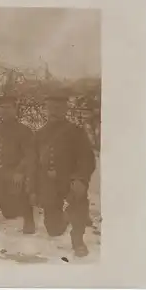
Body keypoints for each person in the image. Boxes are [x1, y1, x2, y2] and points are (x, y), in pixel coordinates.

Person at [33, 89, 96, 257]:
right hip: (49, 184)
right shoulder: (39, 134)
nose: (54, 111)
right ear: (46, 109)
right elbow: (33, 164)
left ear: (65, 110)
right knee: (54, 230)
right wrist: (34, 189)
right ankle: (66, 216)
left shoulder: (76, 132)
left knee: (79, 201)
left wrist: (80, 179)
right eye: (51, 107)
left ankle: (78, 240)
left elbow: (87, 159)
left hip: (70, 181)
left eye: (59, 108)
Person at [0, 95, 36, 234]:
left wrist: (20, 171)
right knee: (9, 213)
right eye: (2, 108)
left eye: (8, 108)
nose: (4, 111)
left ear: (15, 109)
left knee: (22, 184)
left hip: (16, 172)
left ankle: (29, 219)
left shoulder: (24, 131)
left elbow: (30, 155)